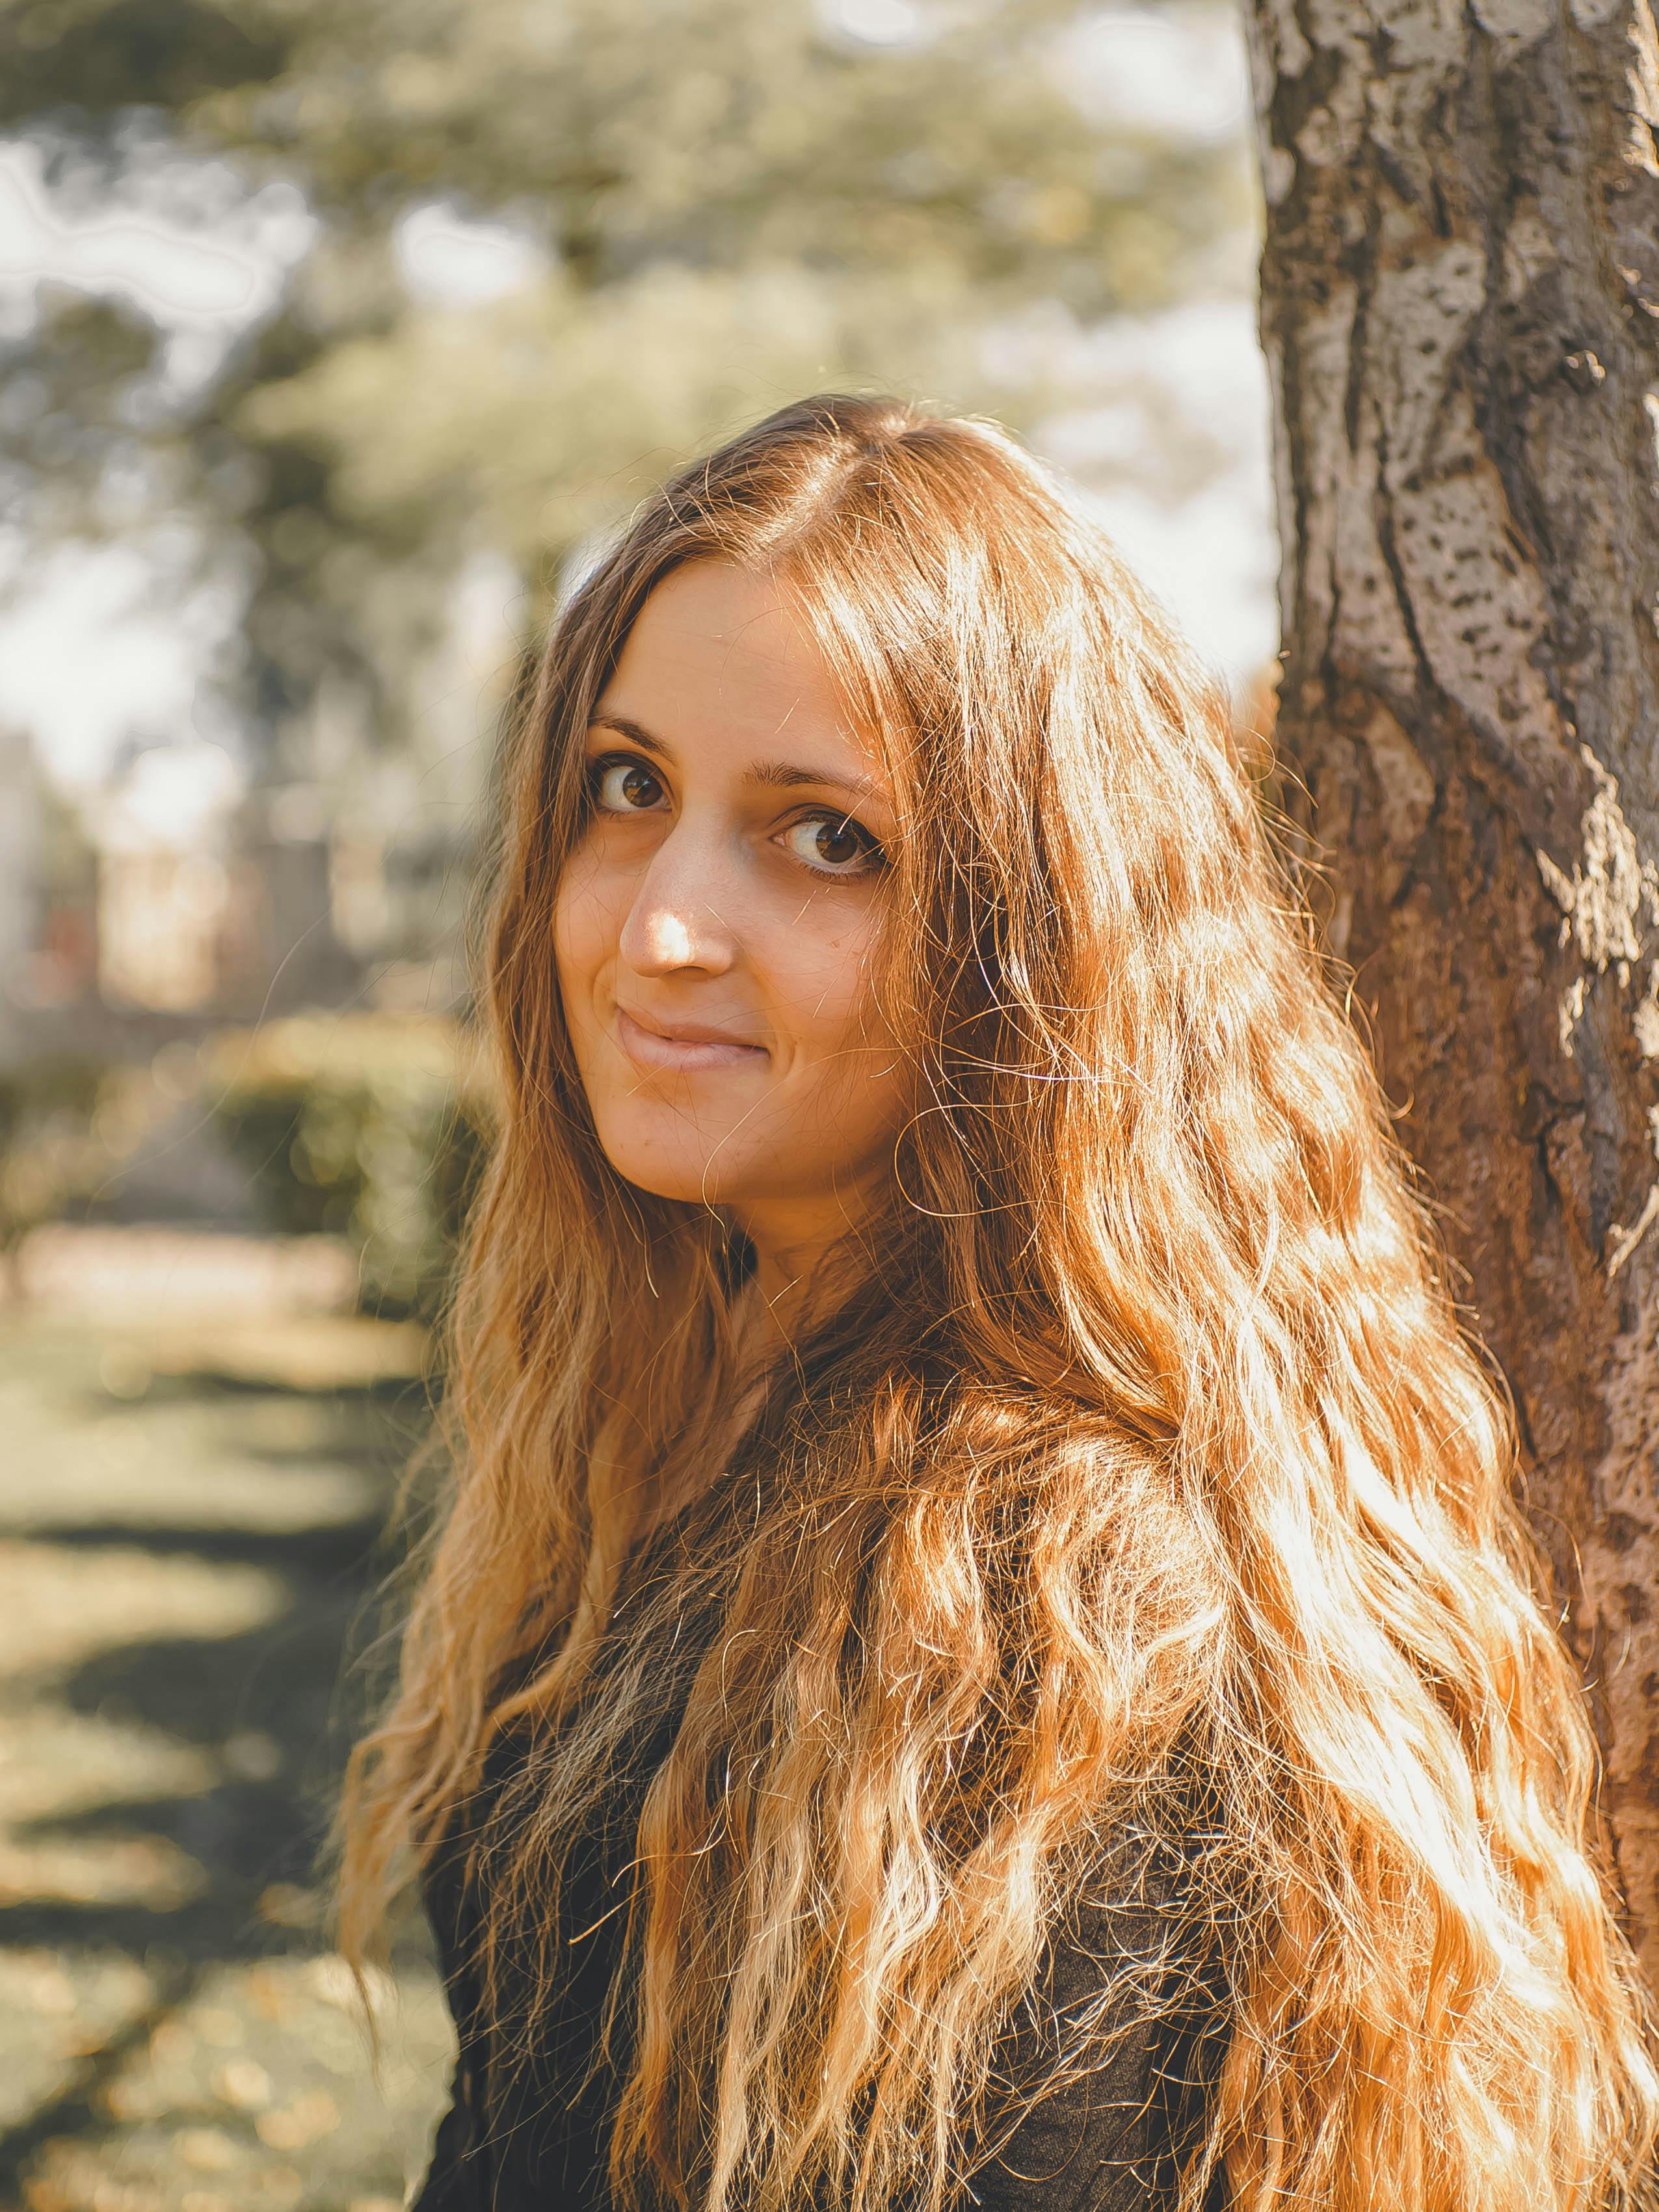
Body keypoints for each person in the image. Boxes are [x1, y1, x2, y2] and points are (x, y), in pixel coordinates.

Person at [336, 395, 1659, 2212]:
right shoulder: (657, 1390)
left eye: (827, 839)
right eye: (627, 788)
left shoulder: (1056, 1603)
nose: (656, 928)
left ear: (1026, 940)